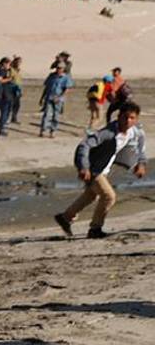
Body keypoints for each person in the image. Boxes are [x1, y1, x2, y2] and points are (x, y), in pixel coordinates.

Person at [54, 102, 146, 239]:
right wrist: (84, 167)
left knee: (91, 195)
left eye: (132, 118)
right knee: (109, 196)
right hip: (93, 169)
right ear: (119, 116)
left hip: (103, 169)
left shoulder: (135, 132)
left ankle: (65, 217)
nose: (128, 121)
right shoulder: (108, 133)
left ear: (136, 119)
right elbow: (84, 145)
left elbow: (140, 147)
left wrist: (141, 163)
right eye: (125, 117)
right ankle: (95, 229)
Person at [39, 63, 72, 138]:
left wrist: (60, 97)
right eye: (57, 68)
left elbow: (67, 89)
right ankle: (43, 130)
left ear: (63, 69)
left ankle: (52, 131)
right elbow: (46, 87)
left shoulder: (66, 77)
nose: (58, 69)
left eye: (60, 68)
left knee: (56, 116)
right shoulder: (51, 76)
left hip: (58, 99)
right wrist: (42, 98)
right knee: (47, 114)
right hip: (49, 97)